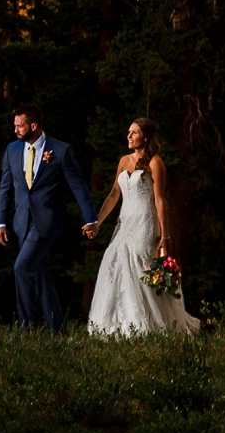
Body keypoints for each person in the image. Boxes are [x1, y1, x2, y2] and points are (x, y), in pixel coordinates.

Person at [85, 117, 199, 339]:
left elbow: (159, 201)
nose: (128, 136)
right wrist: (96, 221)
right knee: (114, 261)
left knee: (139, 268)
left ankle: (150, 325)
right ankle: (115, 325)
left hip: (145, 223)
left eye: (134, 133)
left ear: (145, 137)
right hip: (125, 222)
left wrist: (165, 237)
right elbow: (114, 194)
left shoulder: (155, 163)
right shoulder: (123, 161)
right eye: (128, 132)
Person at [0, 106, 95, 328]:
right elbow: (5, 187)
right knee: (41, 275)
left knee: (21, 267)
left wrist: (91, 218)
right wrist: (1, 221)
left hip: (45, 223)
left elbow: (78, 187)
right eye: (15, 125)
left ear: (34, 126)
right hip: (21, 223)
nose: (15, 130)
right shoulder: (12, 150)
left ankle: (27, 325)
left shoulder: (60, 150)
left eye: (20, 126)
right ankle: (57, 328)